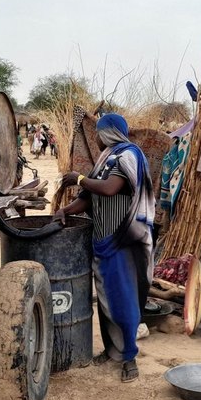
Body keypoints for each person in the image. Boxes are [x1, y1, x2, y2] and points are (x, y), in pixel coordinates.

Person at [54, 113, 155, 383]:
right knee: (107, 301)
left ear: (107, 132)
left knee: (124, 301)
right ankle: (113, 351)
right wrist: (66, 209)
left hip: (123, 241)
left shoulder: (128, 156)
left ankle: (129, 357)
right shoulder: (107, 157)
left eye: (98, 133)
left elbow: (110, 189)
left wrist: (78, 179)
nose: (96, 139)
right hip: (103, 239)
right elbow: (90, 197)